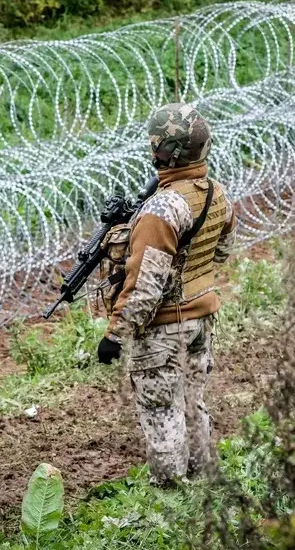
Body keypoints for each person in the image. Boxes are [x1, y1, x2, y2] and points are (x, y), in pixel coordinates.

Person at [97, 102, 237, 486]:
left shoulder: (162, 209)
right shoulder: (217, 195)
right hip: (201, 321)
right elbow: (221, 253)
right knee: (193, 403)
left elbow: (144, 288)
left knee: (161, 411)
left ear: (160, 152)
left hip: (163, 329)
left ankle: (172, 494)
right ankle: (204, 479)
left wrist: (114, 336)